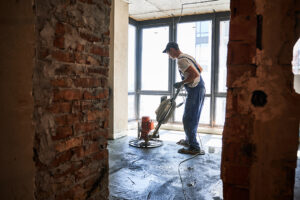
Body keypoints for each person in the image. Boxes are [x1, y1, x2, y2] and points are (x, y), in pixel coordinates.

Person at [163, 42, 206, 155]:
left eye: (168, 53)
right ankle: (189, 141)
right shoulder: (188, 56)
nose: (169, 56)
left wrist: (182, 82)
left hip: (195, 90)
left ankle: (194, 147)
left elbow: (195, 74)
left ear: (171, 50)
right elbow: (200, 69)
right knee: (191, 117)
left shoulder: (181, 60)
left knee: (188, 118)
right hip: (198, 88)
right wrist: (187, 81)